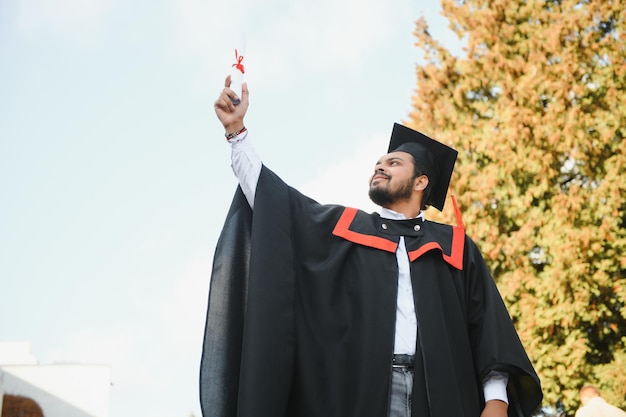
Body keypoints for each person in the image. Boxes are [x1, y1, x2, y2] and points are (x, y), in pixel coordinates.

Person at [199, 76, 543, 417]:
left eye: (394, 163)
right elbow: (276, 204)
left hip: (446, 394)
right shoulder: (348, 228)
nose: (380, 165)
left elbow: (487, 328)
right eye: (379, 162)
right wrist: (237, 134)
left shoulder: (453, 246)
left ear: (421, 182)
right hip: (364, 392)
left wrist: (496, 402)